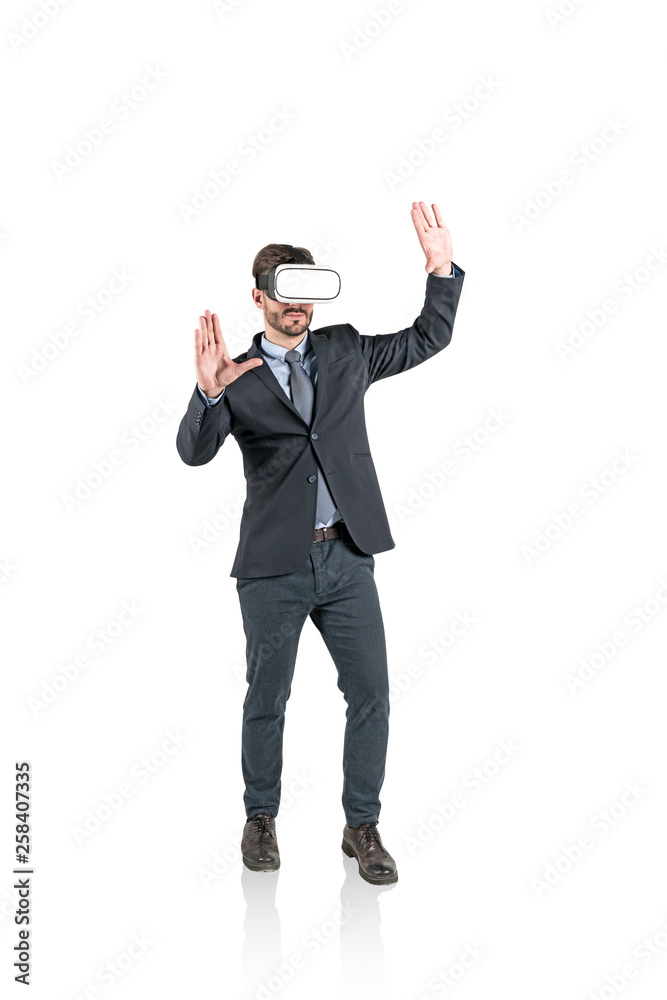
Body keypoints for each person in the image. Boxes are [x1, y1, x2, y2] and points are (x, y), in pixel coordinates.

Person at [176, 201, 465, 884]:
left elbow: (427, 337)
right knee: (266, 699)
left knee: (372, 694)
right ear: (258, 298)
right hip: (272, 567)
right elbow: (193, 452)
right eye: (283, 291)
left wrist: (440, 270)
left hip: (347, 557)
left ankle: (361, 825)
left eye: (305, 291)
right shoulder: (236, 373)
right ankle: (261, 817)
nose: (296, 305)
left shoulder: (344, 351)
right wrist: (208, 393)